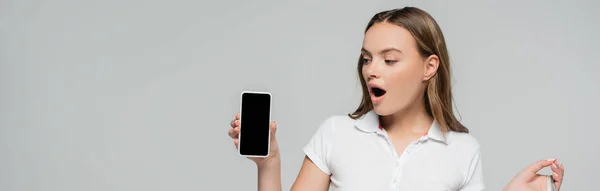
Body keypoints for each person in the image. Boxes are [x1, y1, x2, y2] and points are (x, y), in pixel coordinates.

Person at [227, 7, 564, 191]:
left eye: (389, 60)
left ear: (429, 67)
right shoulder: (335, 134)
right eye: (366, 58)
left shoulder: (463, 149)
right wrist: (268, 163)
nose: (371, 70)